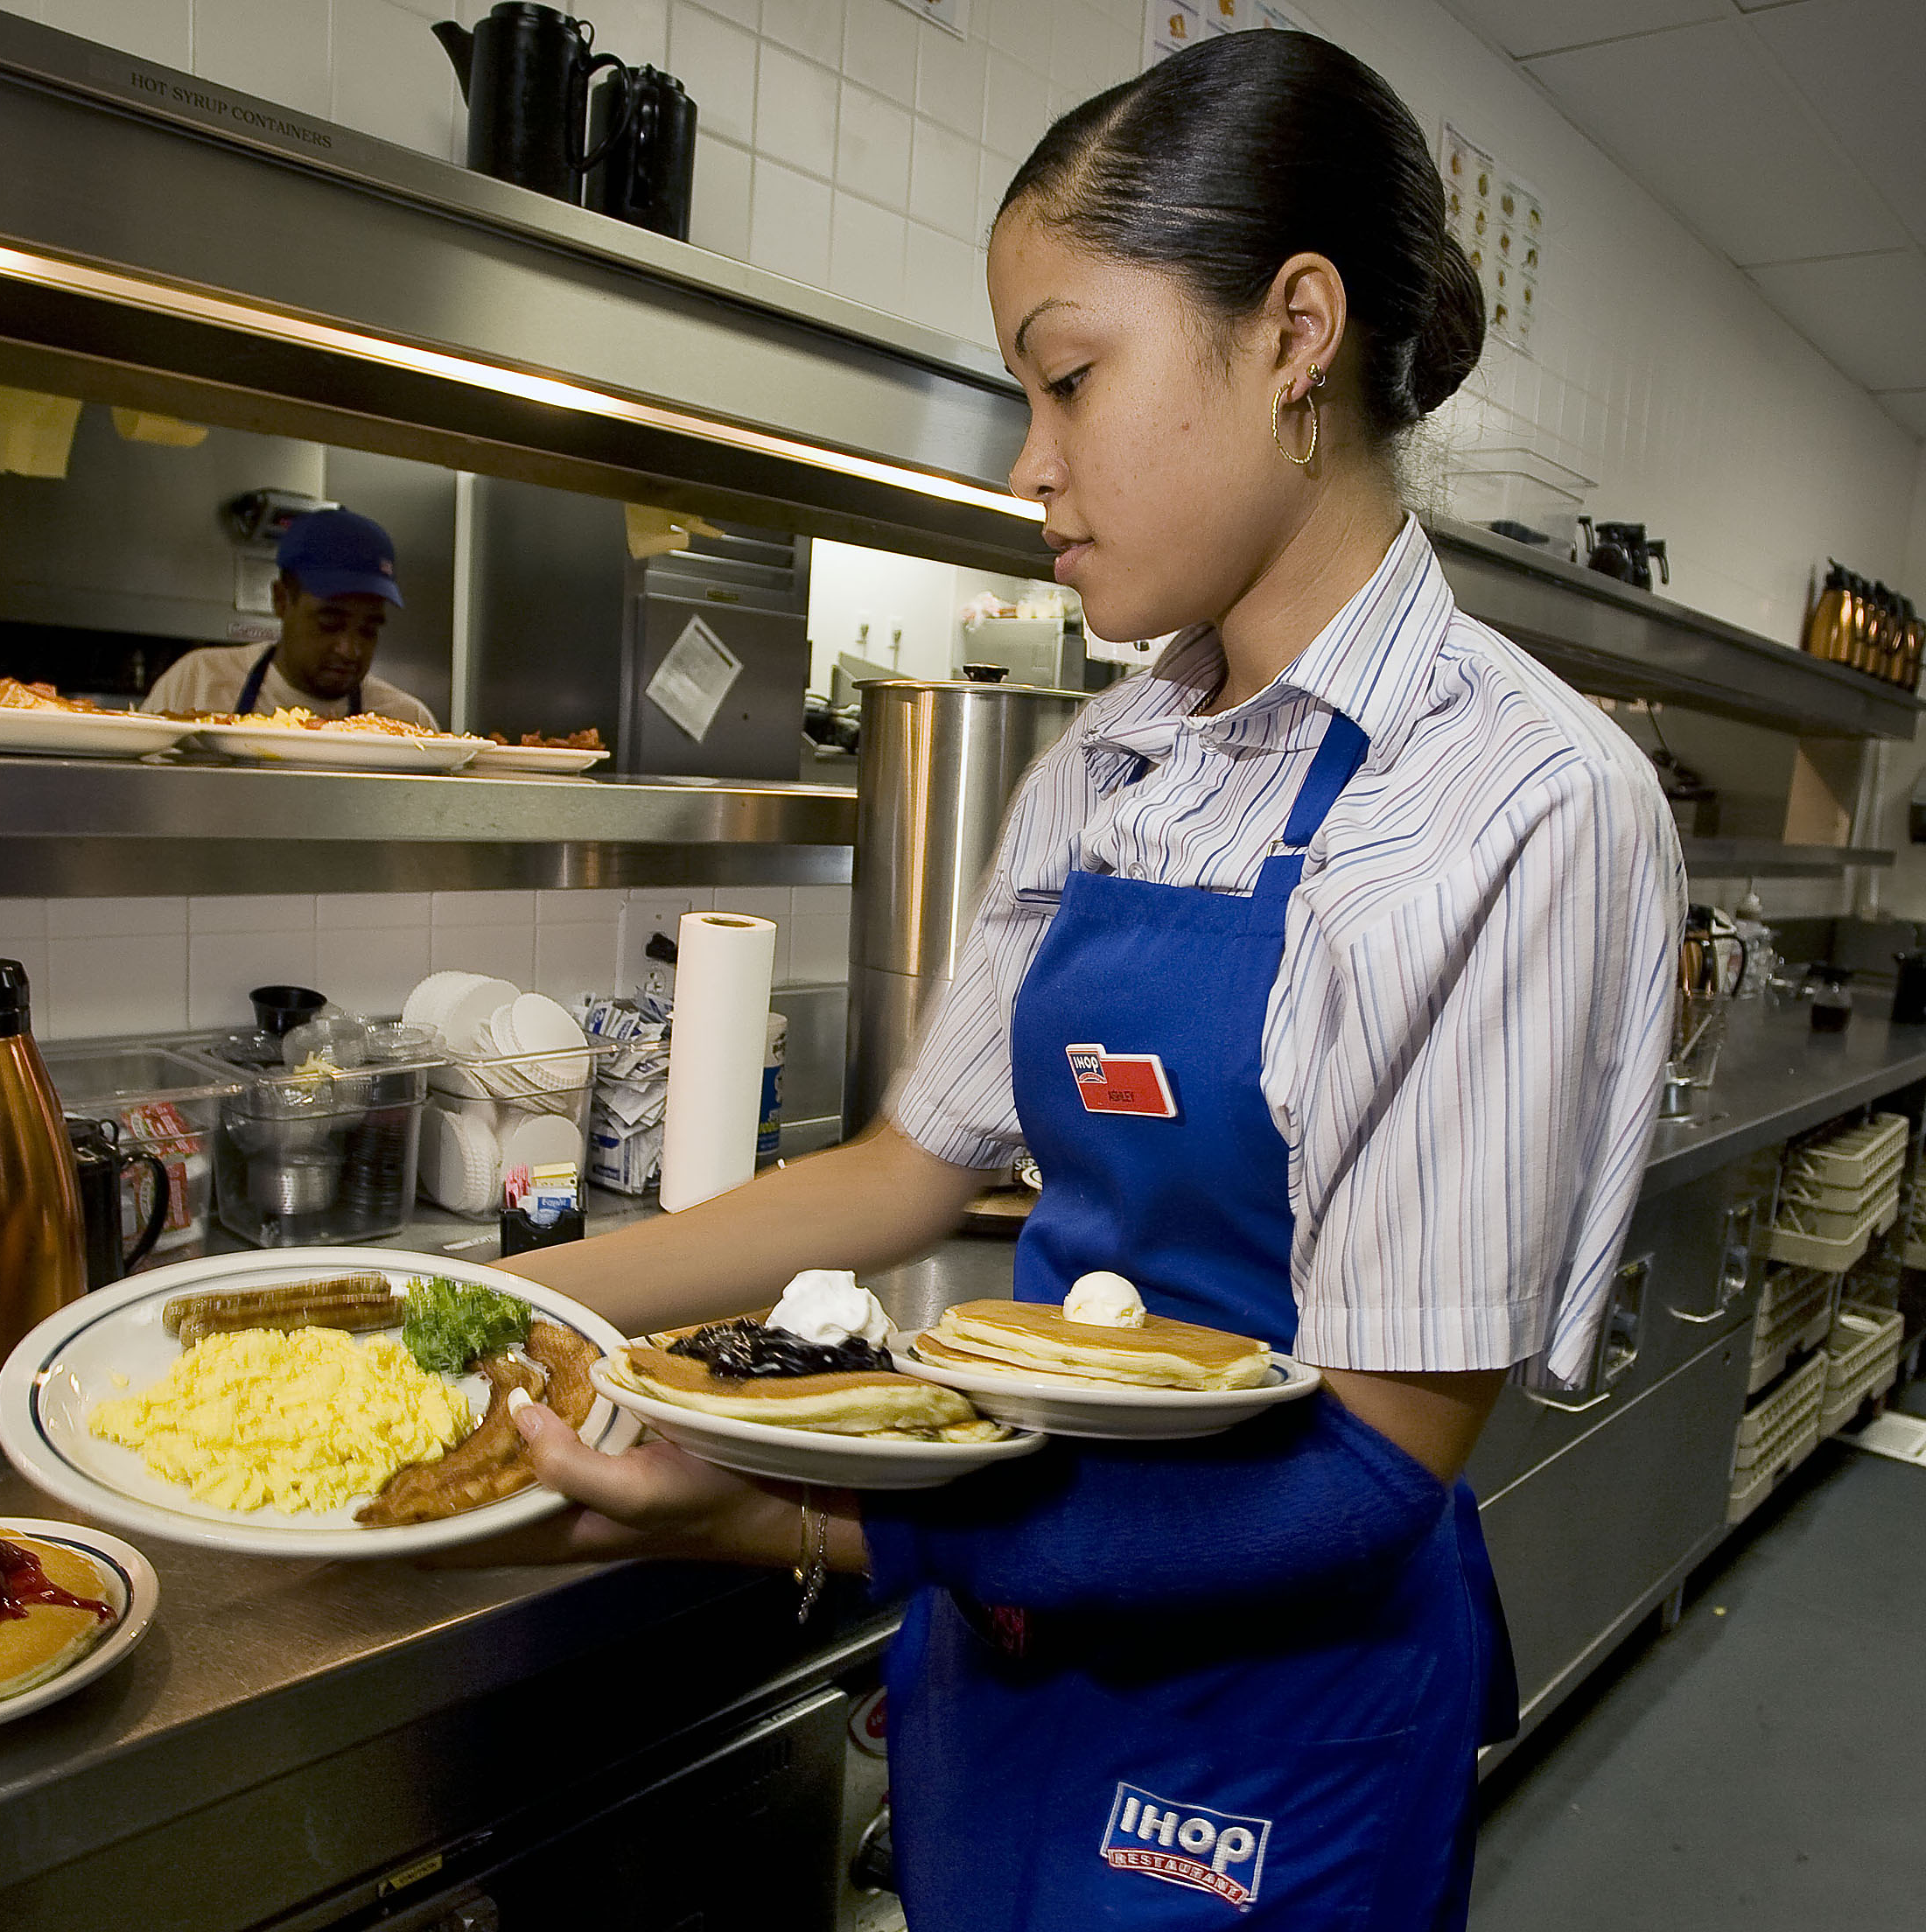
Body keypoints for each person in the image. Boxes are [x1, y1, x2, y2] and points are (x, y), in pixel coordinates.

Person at [459, 32, 1680, 1929]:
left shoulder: (1518, 801)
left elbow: (1375, 1466)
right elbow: (901, 1176)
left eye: (1070, 379)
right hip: (1008, 1665)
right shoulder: (1114, 764)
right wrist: (466, 1307)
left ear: (1294, 334)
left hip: (1276, 1726)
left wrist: (805, 1515)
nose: (1031, 467)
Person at [141, 508, 437, 725]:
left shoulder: (407, 722)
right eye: (329, 623)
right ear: (281, 600)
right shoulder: (199, 683)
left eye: (368, 630)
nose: (349, 648)